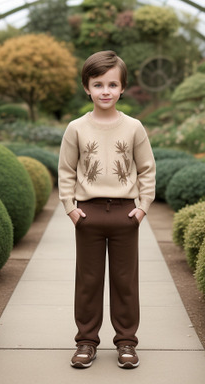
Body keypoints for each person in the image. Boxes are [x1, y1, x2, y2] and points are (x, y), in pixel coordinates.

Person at [58, 50, 156, 369]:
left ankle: (126, 342)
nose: (105, 91)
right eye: (98, 84)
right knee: (88, 281)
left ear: (122, 88)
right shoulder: (76, 128)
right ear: (87, 87)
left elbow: (147, 168)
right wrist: (70, 208)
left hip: (126, 214)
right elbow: (66, 170)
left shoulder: (134, 127)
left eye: (112, 84)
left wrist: (142, 207)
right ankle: (86, 342)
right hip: (88, 214)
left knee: (125, 281)